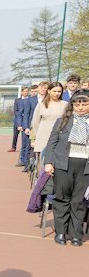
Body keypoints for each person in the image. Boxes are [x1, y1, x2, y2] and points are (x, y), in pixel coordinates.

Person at [44, 90, 89, 246]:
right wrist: (48, 163)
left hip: (85, 167)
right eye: (77, 104)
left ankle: (76, 234)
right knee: (62, 198)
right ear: (72, 105)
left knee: (79, 201)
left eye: (84, 104)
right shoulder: (62, 121)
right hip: (63, 165)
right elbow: (52, 143)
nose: (81, 107)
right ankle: (61, 232)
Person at [31, 82, 67, 164]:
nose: (57, 94)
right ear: (49, 91)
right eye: (54, 91)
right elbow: (35, 122)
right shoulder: (41, 105)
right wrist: (37, 136)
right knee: (41, 163)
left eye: (59, 91)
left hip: (58, 137)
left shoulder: (65, 105)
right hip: (43, 136)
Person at [20, 82, 48, 169]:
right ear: (38, 89)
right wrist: (26, 127)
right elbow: (26, 114)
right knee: (28, 146)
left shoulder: (49, 99)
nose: (43, 90)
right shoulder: (30, 99)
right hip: (31, 126)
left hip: (44, 127)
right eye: (41, 88)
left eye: (45, 88)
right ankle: (27, 165)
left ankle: (40, 165)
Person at [10, 86, 30, 152]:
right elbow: (16, 111)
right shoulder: (17, 100)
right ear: (21, 92)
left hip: (26, 120)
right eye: (24, 91)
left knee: (25, 136)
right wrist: (19, 123)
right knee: (15, 134)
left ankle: (25, 148)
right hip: (18, 120)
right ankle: (13, 147)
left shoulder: (30, 100)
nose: (25, 93)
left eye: (26, 91)